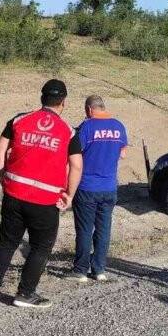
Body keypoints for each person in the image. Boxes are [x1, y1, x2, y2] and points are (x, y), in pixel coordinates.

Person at [0, 79, 83, 308]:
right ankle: (25, 293)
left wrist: (3, 174)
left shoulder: (19, 119)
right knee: (41, 246)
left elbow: (0, 147)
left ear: (42, 98)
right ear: (63, 102)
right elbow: (76, 166)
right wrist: (69, 194)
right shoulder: (68, 132)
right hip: (45, 200)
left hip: (15, 192)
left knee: (7, 242)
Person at [63, 95, 127, 282]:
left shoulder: (87, 127)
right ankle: (99, 270)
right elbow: (123, 154)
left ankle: (80, 270)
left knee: (85, 229)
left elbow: (74, 154)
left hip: (87, 187)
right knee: (103, 229)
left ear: (89, 109)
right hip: (109, 187)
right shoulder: (119, 126)